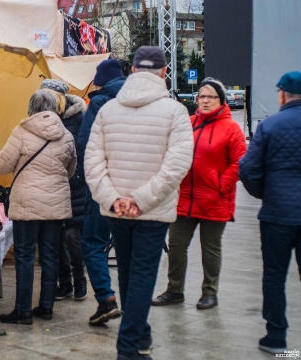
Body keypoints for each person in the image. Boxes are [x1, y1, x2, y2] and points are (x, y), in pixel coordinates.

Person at [85, 46, 193, 360]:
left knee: (129, 272)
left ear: (132, 71)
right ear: (164, 72)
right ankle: (128, 348)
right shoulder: (175, 112)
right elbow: (177, 165)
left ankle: (140, 334)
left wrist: (114, 199)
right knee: (143, 275)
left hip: (117, 209)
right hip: (153, 210)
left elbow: (92, 163)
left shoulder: (106, 110)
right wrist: (142, 200)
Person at [152, 78, 247, 310]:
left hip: (215, 198)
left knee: (210, 247)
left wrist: (221, 185)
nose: (204, 101)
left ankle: (209, 292)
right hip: (184, 196)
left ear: (220, 101)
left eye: (210, 97)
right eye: (201, 96)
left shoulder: (231, 128)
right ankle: (175, 290)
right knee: (175, 245)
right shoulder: (188, 123)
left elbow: (241, 162)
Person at [0, 89, 77, 324]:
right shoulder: (66, 135)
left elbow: (4, 165)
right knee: (50, 255)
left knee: (25, 256)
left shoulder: (22, 131)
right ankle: (46, 307)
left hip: (26, 201)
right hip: (55, 204)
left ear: (31, 107)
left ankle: (23, 310)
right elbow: (71, 169)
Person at [239, 71, 301, 355]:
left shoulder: (270, 126)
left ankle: (276, 338)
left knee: (274, 275)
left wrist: (265, 193)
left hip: (277, 215)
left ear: (282, 95)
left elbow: (248, 169)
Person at [76, 58, 127, 324]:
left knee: (93, 242)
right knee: (128, 246)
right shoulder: (137, 99)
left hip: (102, 186)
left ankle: (106, 300)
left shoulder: (99, 103)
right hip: (132, 185)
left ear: (102, 79)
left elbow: (85, 144)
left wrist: (91, 177)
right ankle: (133, 307)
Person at [40, 79, 89, 301]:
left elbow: (84, 149)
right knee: (54, 236)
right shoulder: (40, 119)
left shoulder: (78, 118)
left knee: (71, 235)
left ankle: (80, 279)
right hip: (49, 184)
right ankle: (64, 282)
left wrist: (77, 175)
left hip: (74, 184)